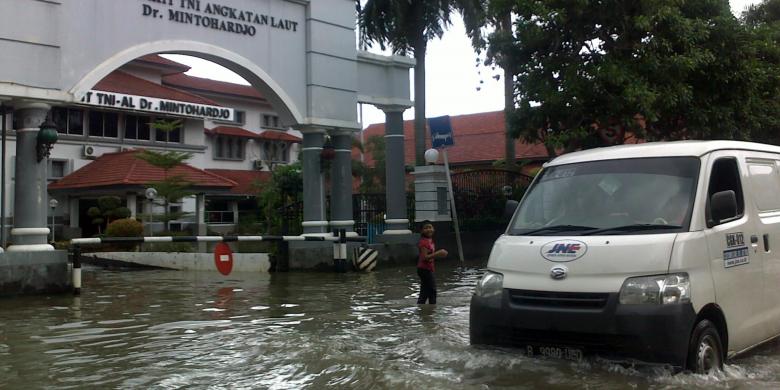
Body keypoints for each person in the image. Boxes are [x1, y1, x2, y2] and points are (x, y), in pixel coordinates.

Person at [417, 221, 448, 304]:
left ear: (433, 229)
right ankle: (431, 310)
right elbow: (424, 257)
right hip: (424, 269)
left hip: (427, 269)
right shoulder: (423, 242)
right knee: (432, 291)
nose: (428, 229)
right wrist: (439, 253)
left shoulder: (429, 240)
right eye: (426, 228)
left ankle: (424, 310)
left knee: (425, 291)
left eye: (430, 227)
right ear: (421, 231)